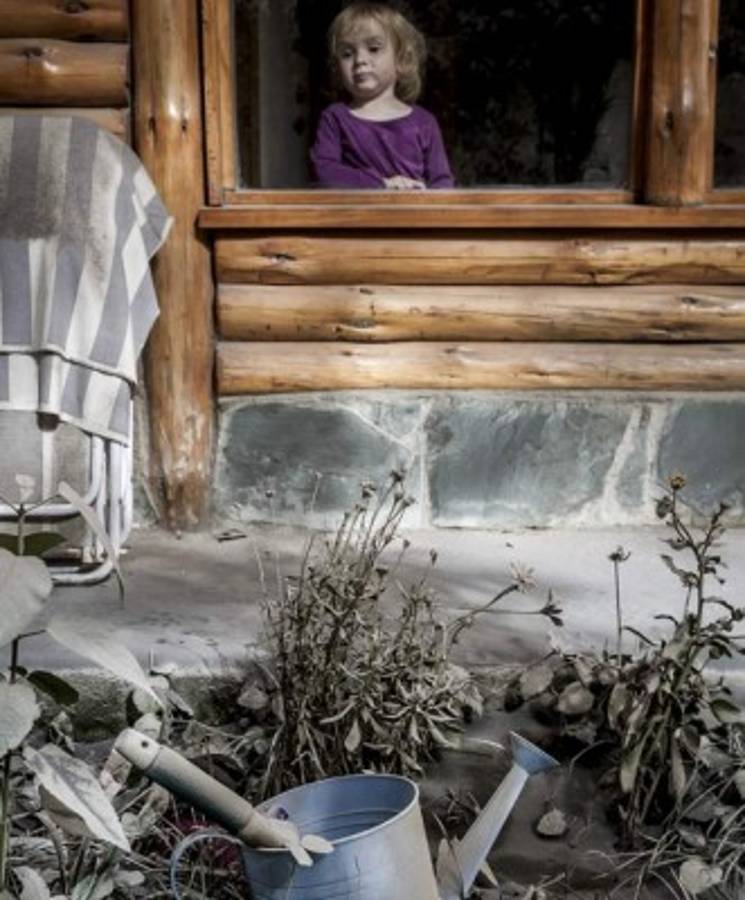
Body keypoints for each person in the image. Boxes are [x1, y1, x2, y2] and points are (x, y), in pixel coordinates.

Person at [310, 2, 454, 189]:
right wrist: (381, 185)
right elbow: (324, 171)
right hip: (356, 218)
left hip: (413, 217)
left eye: (374, 49)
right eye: (347, 53)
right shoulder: (335, 118)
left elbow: (442, 184)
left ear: (402, 60)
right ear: (337, 68)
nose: (360, 60)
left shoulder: (424, 123)